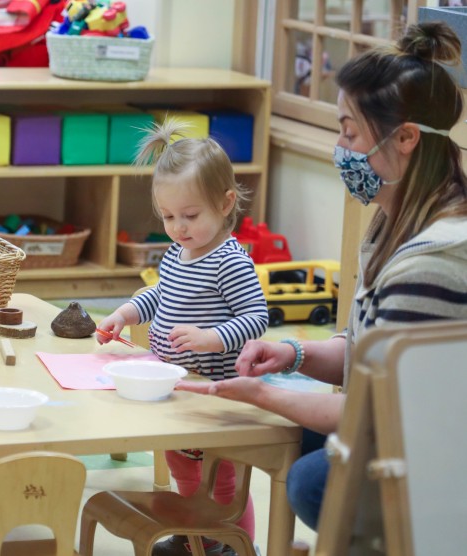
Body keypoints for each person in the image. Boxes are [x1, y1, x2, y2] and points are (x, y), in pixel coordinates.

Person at [177, 21, 467, 532]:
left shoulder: (435, 262)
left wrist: (266, 394)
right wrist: (295, 354)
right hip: (398, 423)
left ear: (405, 138)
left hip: (436, 451)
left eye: (349, 132)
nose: (339, 147)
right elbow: (364, 356)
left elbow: (375, 413)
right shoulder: (388, 223)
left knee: (313, 478)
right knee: (274, 430)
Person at [97, 119, 269, 555]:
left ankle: (232, 542)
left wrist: (213, 337)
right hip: (179, 386)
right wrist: (124, 312)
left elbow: (256, 317)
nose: (178, 227)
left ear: (226, 203)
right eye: (169, 216)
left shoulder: (229, 261)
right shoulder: (178, 252)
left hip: (218, 394)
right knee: (183, 466)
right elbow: (161, 295)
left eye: (190, 216)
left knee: (223, 479)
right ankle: (195, 534)